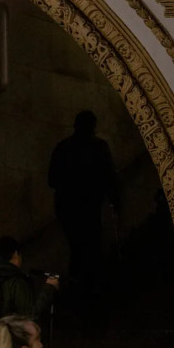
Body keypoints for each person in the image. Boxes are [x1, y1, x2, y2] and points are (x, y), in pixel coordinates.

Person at [47, 110, 119, 295]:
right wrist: (113, 200)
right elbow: (110, 176)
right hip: (89, 205)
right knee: (91, 246)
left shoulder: (63, 147)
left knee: (77, 246)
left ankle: (78, 285)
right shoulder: (98, 147)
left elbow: (52, 179)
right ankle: (88, 287)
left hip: (68, 206)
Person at [0, 236, 59, 325]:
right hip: (5, 335)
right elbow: (30, 315)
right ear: (16, 254)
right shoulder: (15, 281)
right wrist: (49, 287)